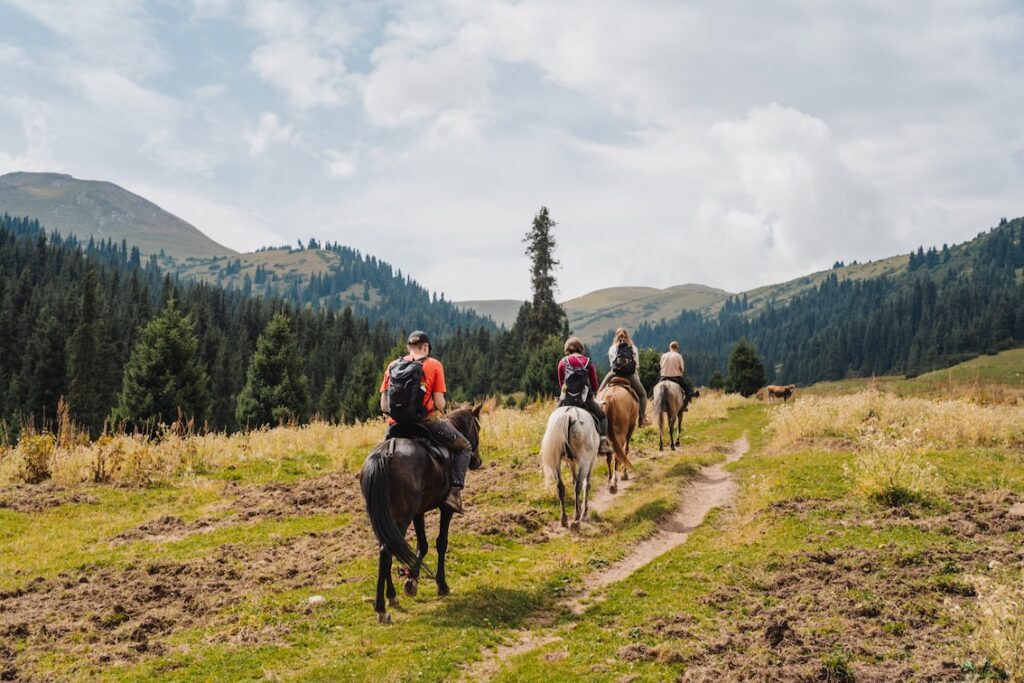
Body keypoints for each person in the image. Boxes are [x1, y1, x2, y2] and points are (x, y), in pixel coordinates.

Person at [379, 330, 473, 514]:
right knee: (465, 447)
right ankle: (453, 494)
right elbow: (439, 403)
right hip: (425, 423)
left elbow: (383, 405)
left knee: (382, 453)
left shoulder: (392, 366)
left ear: (408, 347)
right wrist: (443, 408)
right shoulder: (434, 365)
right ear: (426, 347)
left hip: (396, 426)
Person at [556, 337, 612, 455]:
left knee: (554, 418)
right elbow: (595, 384)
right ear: (581, 349)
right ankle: (602, 445)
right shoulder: (587, 361)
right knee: (602, 417)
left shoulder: (563, 362)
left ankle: (556, 446)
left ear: (567, 349)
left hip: (566, 399)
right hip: (584, 400)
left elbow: (561, 384)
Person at [598, 327, 649, 427]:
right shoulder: (633, 348)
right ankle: (642, 419)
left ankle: (597, 416)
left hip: (614, 373)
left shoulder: (612, 348)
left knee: (600, 391)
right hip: (629, 375)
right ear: (627, 336)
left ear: (616, 337)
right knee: (643, 394)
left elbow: (612, 364)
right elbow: (636, 365)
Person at [660, 340, 697, 411]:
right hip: (676, 377)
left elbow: (661, 366)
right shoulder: (679, 356)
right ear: (677, 348)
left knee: (655, 390)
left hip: (664, 377)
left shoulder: (663, 355)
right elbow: (682, 369)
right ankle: (684, 406)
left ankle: (655, 400)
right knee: (687, 390)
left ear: (669, 347)